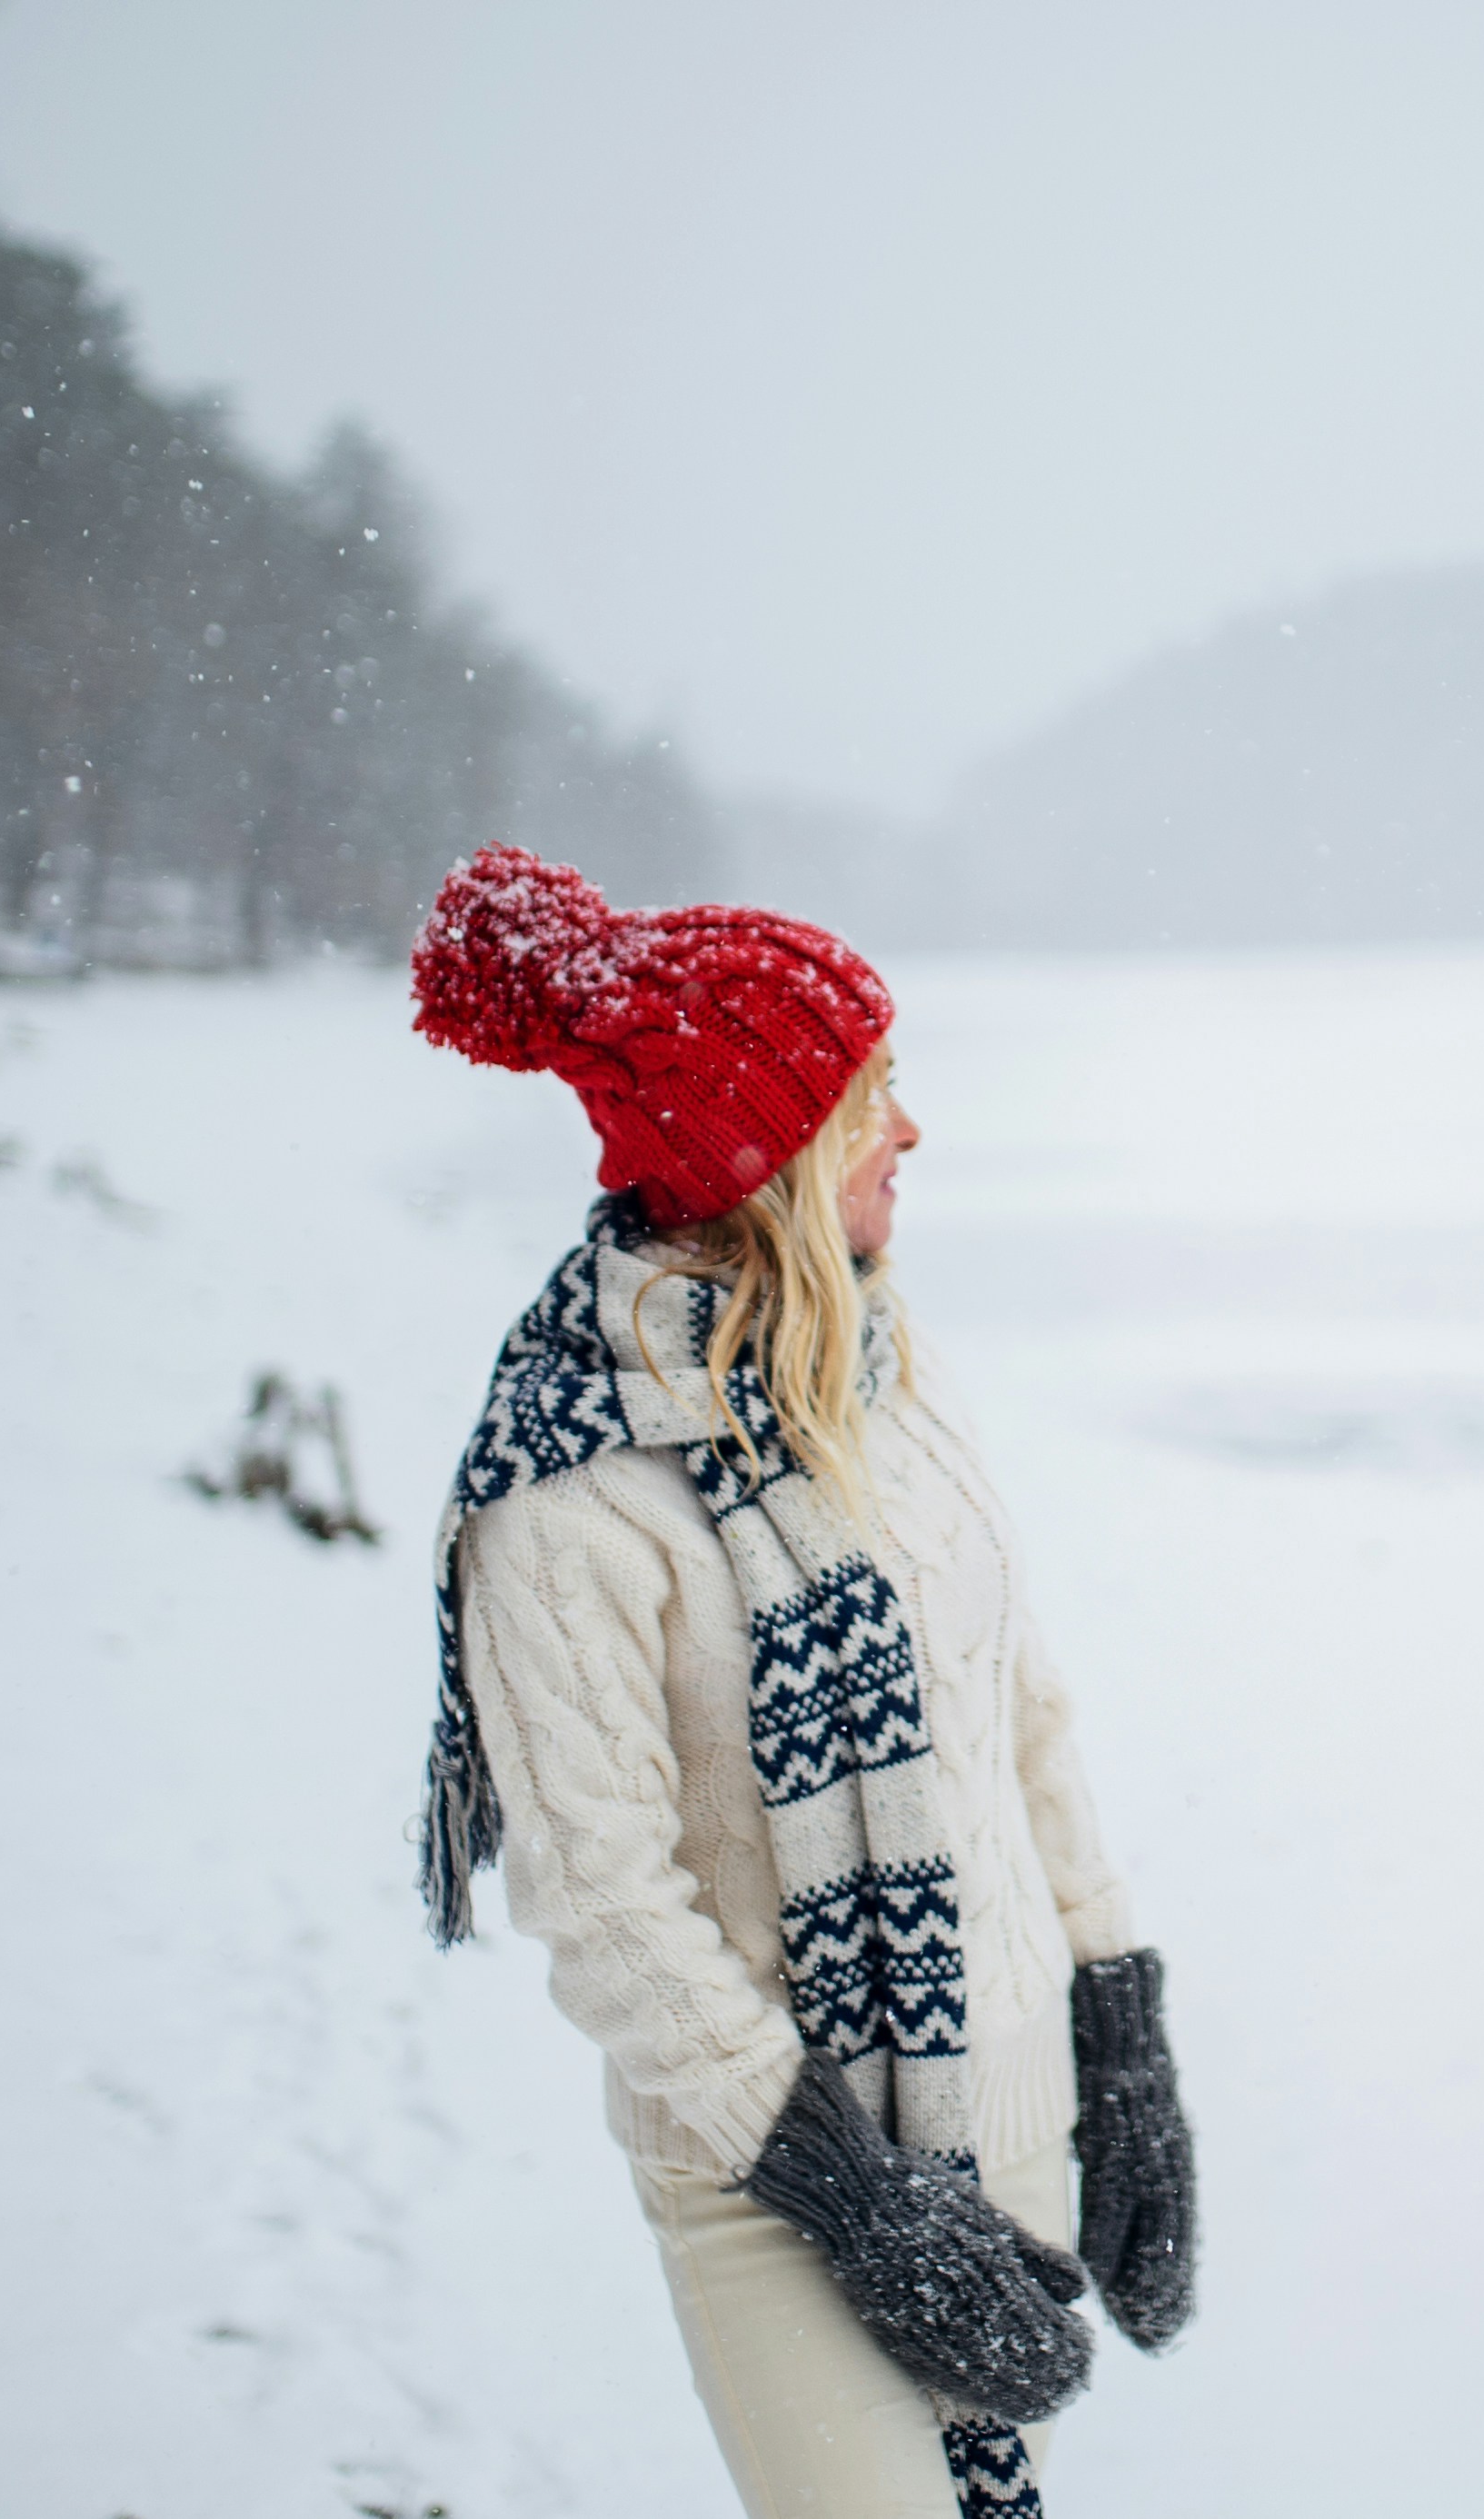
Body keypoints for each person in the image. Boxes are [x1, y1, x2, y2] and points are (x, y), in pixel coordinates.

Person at [402, 845, 1195, 2519]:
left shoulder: (882, 1371)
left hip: (1010, 2090)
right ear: (762, 1159)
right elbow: (604, 1905)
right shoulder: (569, 1501)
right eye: (869, 1098)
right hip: (772, 2182)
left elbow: (1014, 1701)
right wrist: (858, 2200)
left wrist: (1122, 2025)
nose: (910, 1132)